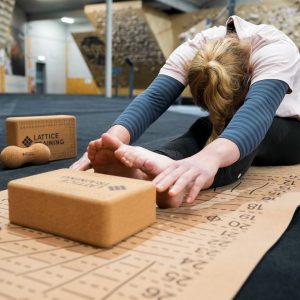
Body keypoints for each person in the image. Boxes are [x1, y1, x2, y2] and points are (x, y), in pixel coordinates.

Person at [70, 15, 300, 208]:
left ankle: (186, 182)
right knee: (202, 127)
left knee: (257, 130)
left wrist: (209, 158)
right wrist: (111, 141)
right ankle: (159, 167)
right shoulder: (197, 45)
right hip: (241, 123)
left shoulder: (274, 49)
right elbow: (153, 99)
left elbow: (256, 113)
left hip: (290, 130)